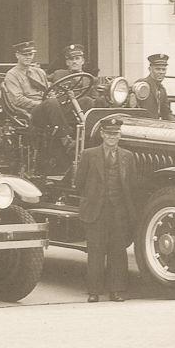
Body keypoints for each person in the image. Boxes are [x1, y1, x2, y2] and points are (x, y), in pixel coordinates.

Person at [75, 115, 137, 302]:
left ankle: (116, 291)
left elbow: (131, 185)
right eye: (109, 134)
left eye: (115, 134)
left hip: (118, 211)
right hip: (96, 210)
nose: (112, 137)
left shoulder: (128, 157)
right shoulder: (89, 154)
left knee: (118, 252)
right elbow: (79, 182)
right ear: (102, 134)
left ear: (120, 135)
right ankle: (94, 292)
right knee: (96, 251)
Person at [1, 40, 51, 132]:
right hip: (29, 111)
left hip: (47, 108)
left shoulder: (39, 72)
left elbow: (48, 91)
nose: (28, 57)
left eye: (30, 54)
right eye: (25, 55)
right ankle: (65, 138)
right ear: (17, 55)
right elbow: (18, 100)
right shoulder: (12, 74)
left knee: (85, 101)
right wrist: (41, 104)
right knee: (52, 103)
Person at [133, 54, 172, 119]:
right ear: (150, 69)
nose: (161, 72)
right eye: (157, 69)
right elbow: (133, 108)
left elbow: (166, 112)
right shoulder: (142, 85)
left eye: (163, 69)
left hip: (154, 125)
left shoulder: (162, 90)